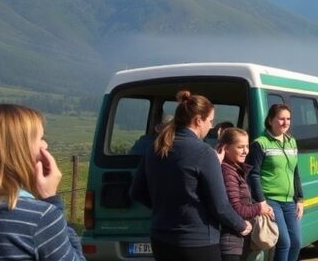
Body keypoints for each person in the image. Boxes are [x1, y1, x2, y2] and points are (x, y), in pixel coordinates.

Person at [130, 91, 251, 261]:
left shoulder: (155, 148)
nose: (211, 126)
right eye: (210, 121)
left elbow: (137, 191)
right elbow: (220, 206)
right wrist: (241, 225)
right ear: (198, 120)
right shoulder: (203, 153)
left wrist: (165, 209)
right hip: (198, 242)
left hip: (161, 238)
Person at [0, 103, 85, 261]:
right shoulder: (40, 218)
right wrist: (52, 200)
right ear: (20, 151)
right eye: (40, 138)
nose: (45, 145)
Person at [246, 104, 303, 261]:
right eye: (281, 119)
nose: (286, 122)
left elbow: (295, 173)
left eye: (288, 119)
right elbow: (254, 175)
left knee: (297, 242)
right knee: (284, 242)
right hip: (271, 201)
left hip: (290, 201)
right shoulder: (260, 143)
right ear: (270, 120)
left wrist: (300, 199)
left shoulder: (291, 141)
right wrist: (262, 202)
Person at [218, 127, 274, 261]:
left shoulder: (236, 170)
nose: (245, 151)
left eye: (247, 146)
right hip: (231, 243)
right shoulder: (228, 173)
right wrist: (260, 208)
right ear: (226, 148)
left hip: (240, 240)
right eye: (240, 147)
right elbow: (236, 208)